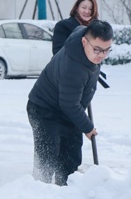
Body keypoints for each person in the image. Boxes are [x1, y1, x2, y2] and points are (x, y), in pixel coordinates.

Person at [27, 20, 112, 185]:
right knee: (48, 156)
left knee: (71, 156)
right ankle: (38, 193)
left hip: (68, 111)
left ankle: (66, 192)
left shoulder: (85, 43)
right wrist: (87, 127)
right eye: (97, 50)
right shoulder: (73, 67)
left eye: (106, 50)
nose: (101, 55)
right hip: (45, 109)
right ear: (84, 42)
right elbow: (69, 104)